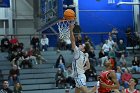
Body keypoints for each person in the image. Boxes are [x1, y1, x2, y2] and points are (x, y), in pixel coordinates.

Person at [69, 24, 90, 93]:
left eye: (82, 45)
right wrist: (82, 69)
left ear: (83, 49)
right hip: (81, 76)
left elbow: (72, 40)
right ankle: (96, 87)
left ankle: (97, 87)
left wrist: (71, 30)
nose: (80, 45)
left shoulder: (78, 52)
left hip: (79, 77)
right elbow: (88, 66)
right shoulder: (86, 55)